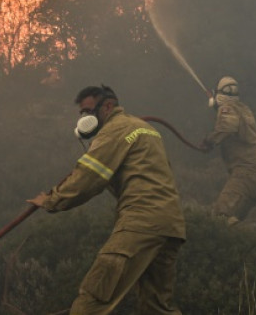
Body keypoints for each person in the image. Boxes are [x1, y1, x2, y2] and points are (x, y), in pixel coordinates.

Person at [28, 85, 186, 314]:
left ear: (108, 107)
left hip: (140, 223)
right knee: (157, 307)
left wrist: (50, 200)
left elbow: (88, 178)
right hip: (171, 226)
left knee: (92, 300)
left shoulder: (115, 130)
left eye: (88, 111)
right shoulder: (145, 128)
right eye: (82, 113)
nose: (84, 118)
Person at [202, 76, 256, 226]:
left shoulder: (227, 109)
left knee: (221, 215)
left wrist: (209, 140)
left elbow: (227, 127)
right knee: (232, 220)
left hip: (245, 175)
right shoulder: (244, 109)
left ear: (219, 94)